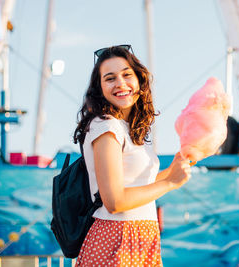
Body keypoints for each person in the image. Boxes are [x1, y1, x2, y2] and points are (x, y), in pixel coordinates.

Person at [73, 45, 191, 266]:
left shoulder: (126, 128)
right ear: (99, 88)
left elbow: (137, 184)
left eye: (127, 74)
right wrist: (170, 184)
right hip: (117, 238)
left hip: (140, 236)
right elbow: (114, 201)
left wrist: (172, 172)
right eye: (110, 78)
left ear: (139, 80)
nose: (120, 83)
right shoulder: (106, 126)